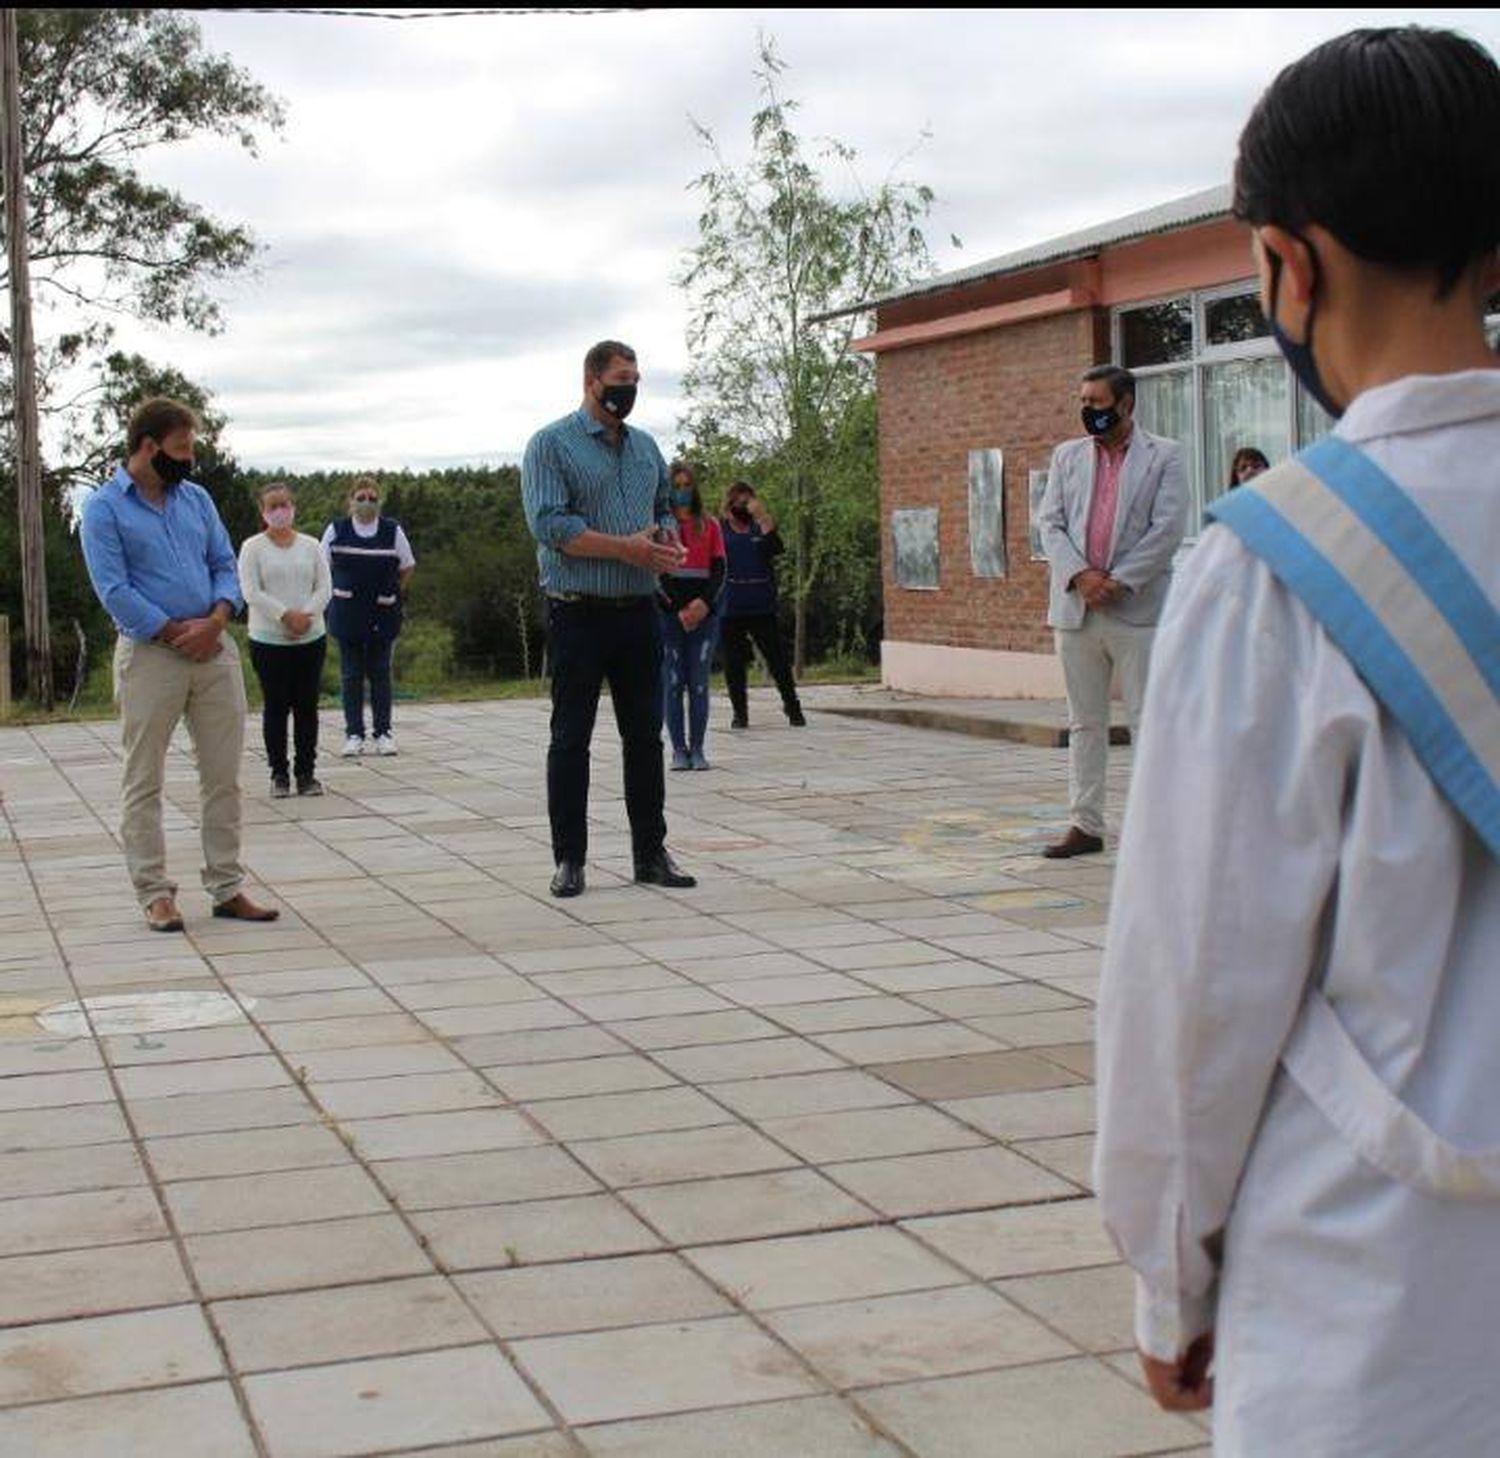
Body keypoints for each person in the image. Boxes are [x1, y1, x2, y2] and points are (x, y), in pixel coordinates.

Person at [1095, 26, 1500, 1457]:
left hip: (1374, 1294)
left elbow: (1194, 980)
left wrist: (1171, 1270)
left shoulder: (1270, 568)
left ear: (1290, 265)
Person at [79, 397, 279, 931]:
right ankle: (155, 892)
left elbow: (223, 563)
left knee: (223, 775)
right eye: (182, 448)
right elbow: (113, 588)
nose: (190, 458)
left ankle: (227, 885)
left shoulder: (197, 499)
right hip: (150, 654)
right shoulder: (103, 509)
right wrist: (172, 632)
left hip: (213, 648)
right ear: (149, 447)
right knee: (143, 777)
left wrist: (215, 621)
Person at [521, 339, 698, 899]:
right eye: (621, 378)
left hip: (638, 613)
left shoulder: (646, 447)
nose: (630, 389)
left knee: (645, 736)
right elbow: (551, 524)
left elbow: (662, 508)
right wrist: (625, 549)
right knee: (571, 738)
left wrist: (664, 538)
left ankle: (650, 853)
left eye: (637, 379)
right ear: (592, 381)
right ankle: (569, 859)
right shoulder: (551, 445)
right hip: (578, 612)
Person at [1037, 365, 1188, 857]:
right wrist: (1082, 577)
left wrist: (1118, 581)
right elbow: (1050, 523)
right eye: (1082, 400)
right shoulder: (1067, 457)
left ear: (1125, 404)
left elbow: (1166, 530)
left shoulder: (1164, 456)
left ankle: (1157, 828)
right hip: (1077, 608)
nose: (1088, 411)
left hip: (1136, 608)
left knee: (1148, 720)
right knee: (1085, 723)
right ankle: (1085, 825)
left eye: (1097, 403)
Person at [238, 482, 333, 798]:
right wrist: (284, 616)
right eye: (273, 506)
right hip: (269, 639)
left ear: (294, 507)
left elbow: (324, 587)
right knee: (276, 706)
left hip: (311, 636)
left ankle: (306, 772)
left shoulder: (311, 545)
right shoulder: (252, 547)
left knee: (307, 706)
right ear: (263, 512)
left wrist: (305, 615)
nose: (280, 511)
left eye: (285, 505)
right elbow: (251, 591)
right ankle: (279, 772)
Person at [320, 477, 414, 758]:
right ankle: (353, 734)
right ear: (350, 500)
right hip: (347, 612)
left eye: (372, 498)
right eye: (361, 497)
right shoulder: (336, 530)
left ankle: (383, 733)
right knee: (351, 675)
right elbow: (321, 565)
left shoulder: (392, 531)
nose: (366, 502)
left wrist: (395, 590)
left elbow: (408, 565)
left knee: (381, 673)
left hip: (383, 612)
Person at [718, 480, 805, 729]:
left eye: (748, 502)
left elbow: (777, 549)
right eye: (740, 503)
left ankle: (792, 707)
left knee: (777, 659)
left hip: (761, 605)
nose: (744, 507)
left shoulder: (760, 526)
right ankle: (740, 713)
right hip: (730, 606)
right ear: (730, 503)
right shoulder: (720, 529)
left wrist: (764, 518)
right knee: (734, 663)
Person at [658, 461, 725, 771]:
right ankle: (678, 750)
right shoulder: (660, 528)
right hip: (670, 615)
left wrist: (703, 605)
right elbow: (656, 573)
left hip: (704, 615)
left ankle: (698, 748)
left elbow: (720, 571)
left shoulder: (710, 525)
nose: (682, 491)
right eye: (677, 485)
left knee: (698, 682)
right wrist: (677, 608)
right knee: (672, 682)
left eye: (687, 485)